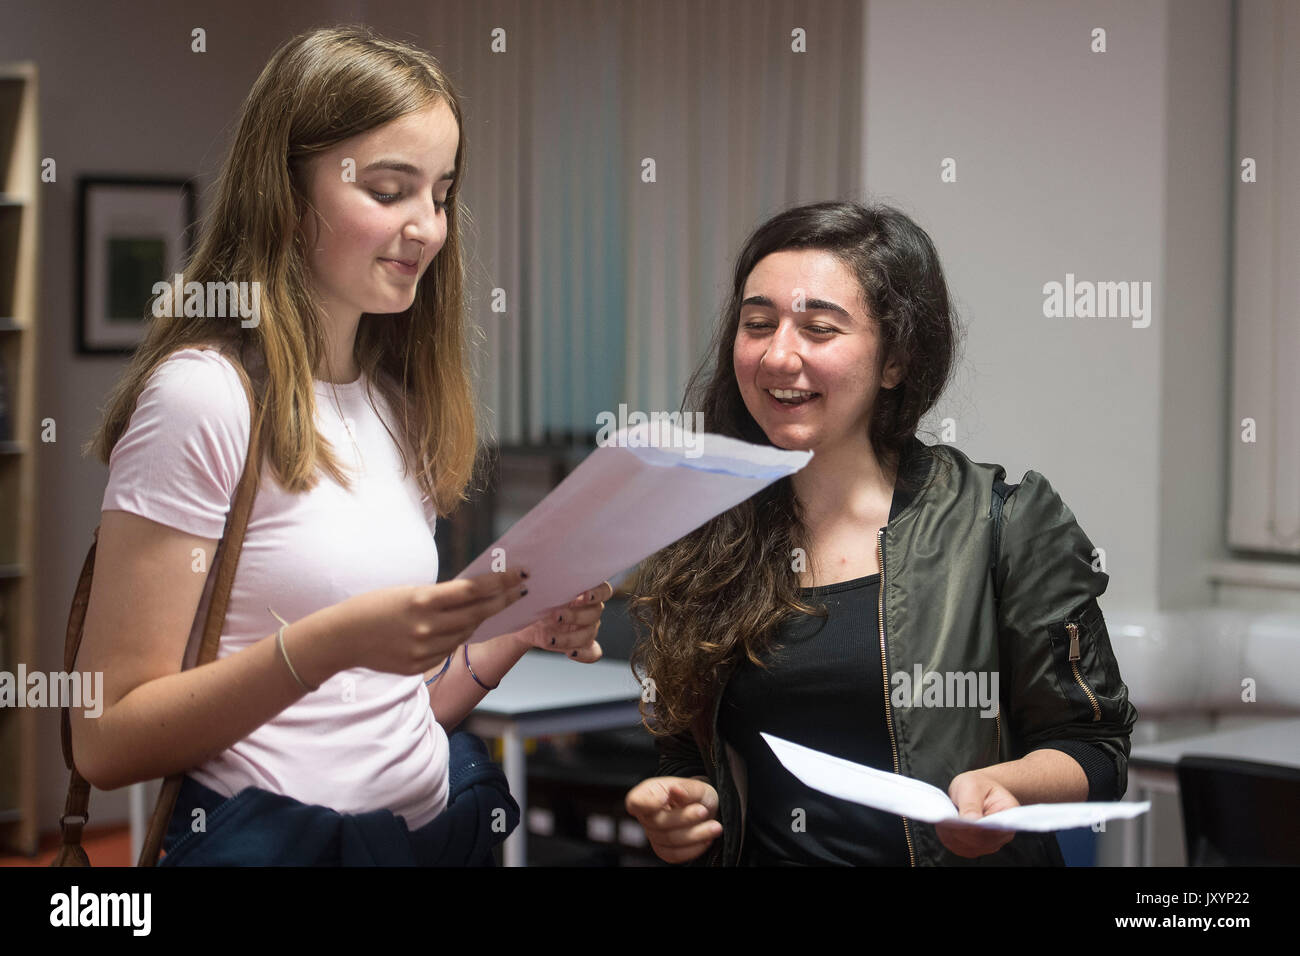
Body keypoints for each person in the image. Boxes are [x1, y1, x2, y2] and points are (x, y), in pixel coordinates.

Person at [70, 25, 610, 866]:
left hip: (428, 836)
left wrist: (515, 635)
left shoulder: (395, 404)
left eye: (440, 193)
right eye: (390, 189)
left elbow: (382, 719)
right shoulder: (203, 396)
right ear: (285, 197)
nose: (427, 227)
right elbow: (105, 740)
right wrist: (328, 642)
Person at [624, 200, 1138, 866]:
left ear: (894, 361)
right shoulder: (707, 526)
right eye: (758, 324)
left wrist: (1007, 785)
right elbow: (693, 756)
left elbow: (1095, 747)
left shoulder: (1001, 523)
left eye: (818, 328)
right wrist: (683, 808)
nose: (779, 354)